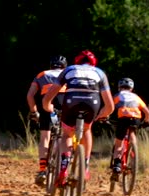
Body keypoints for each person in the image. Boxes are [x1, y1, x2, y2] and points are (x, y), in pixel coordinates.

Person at [42, 50, 114, 186]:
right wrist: (101, 115)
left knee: (67, 135)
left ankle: (64, 164)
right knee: (87, 129)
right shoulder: (99, 72)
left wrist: (48, 107)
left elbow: (49, 96)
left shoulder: (69, 69)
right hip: (92, 103)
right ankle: (85, 165)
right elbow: (110, 105)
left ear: (77, 61)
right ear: (93, 63)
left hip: (71, 101)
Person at [26, 55, 67, 185]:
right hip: (66, 102)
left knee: (45, 135)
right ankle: (65, 164)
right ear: (64, 66)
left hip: (47, 103)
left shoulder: (42, 74)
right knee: (67, 134)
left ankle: (43, 169)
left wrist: (34, 112)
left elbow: (30, 95)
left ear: (51, 65)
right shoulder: (68, 73)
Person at [111, 77, 149, 174]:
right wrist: (146, 122)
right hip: (136, 119)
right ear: (131, 88)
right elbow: (147, 112)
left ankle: (117, 165)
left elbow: (110, 107)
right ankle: (133, 150)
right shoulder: (136, 97)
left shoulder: (117, 95)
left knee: (119, 143)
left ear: (119, 87)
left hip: (123, 119)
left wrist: (105, 117)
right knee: (132, 131)